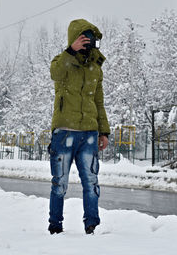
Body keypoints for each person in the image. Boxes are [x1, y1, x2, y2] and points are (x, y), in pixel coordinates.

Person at [48, 19, 110, 235]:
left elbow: (99, 101)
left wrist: (104, 131)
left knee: (91, 182)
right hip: (64, 132)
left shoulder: (95, 67)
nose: (88, 42)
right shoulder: (62, 61)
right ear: (74, 38)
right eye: (83, 37)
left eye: (90, 38)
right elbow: (55, 73)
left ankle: (91, 224)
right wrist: (70, 51)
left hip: (89, 134)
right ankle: (55, 226)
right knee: (60, 183)